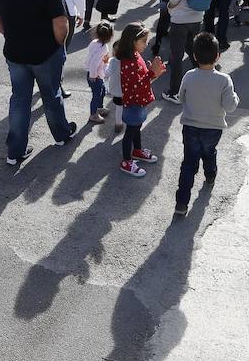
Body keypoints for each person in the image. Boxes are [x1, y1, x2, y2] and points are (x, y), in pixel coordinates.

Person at [0, 0, 77, 166]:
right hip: (45, 54)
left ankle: (14, 152)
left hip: (15, 54)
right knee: (51, 95)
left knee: (19, 100)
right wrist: (59, 45)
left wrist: (9, 33)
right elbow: (60, 23)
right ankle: (61, 135)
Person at [173, 32, 240, 218]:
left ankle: (181, 203)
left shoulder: (189, 75)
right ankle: (210, 175)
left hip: (190, 127)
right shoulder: (224, 80)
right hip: (213, 127)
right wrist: (235, 96)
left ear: (194, 56)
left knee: (188, 164)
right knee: (209, 152)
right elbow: (230, 106)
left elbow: (180, 98)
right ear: (218, 56)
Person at [112, 24, 164, 178]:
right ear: (133, 41)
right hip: (133, 104)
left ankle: (137, 151)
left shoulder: (135, 55)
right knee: (130, 132)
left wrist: (153, 73)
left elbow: (142, 78)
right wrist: (152, 74)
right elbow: (137, 85)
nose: (146, 43)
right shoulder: (128, 61)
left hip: (138, 103)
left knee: (136, 128)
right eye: (143, 40)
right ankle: (126, 161)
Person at [85, 21, 114, 125]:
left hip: (95, 74)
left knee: (102, 91)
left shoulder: (94, 42)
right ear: (110, 36)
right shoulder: (103, 48)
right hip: (95, 76)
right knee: (96, 95)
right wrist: (93, 76)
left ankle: (99, 108)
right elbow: (94, 63)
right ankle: (93, 114)